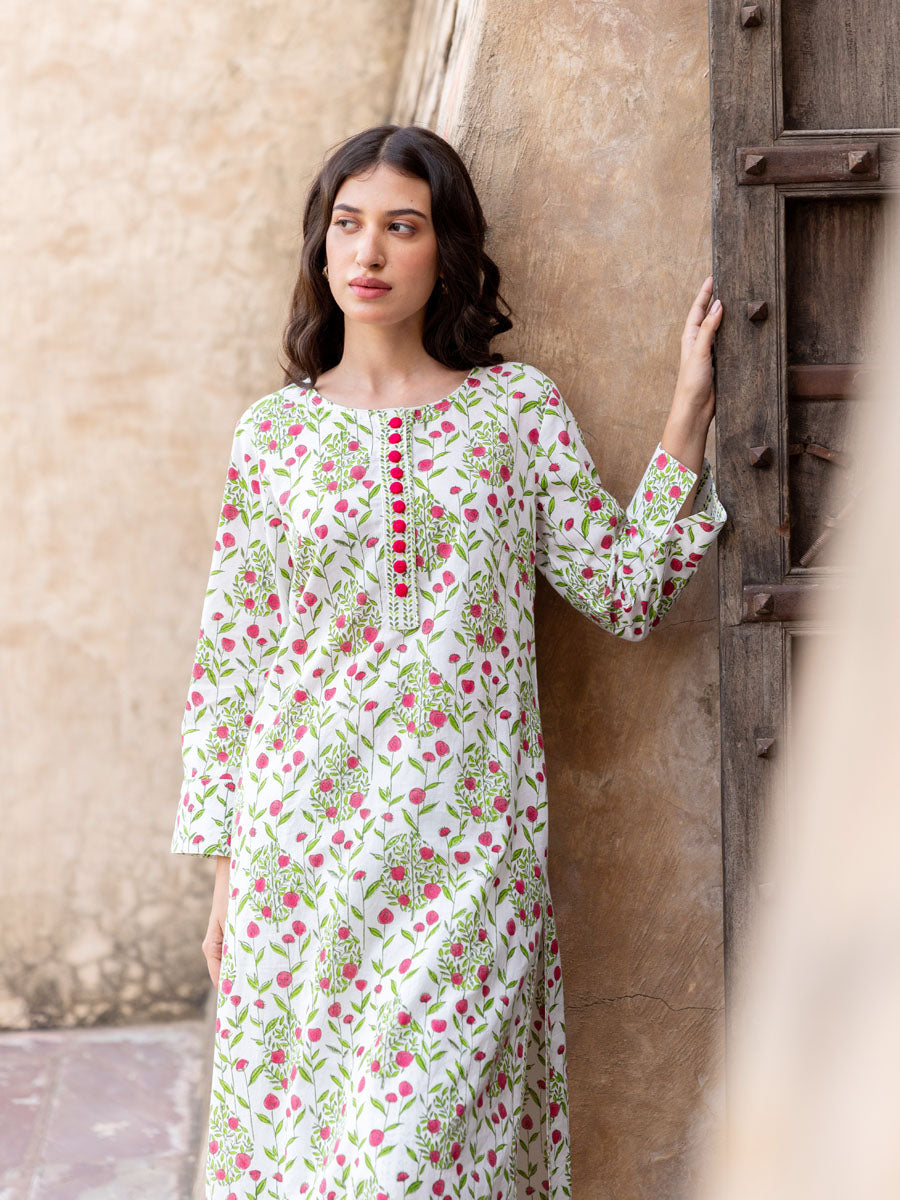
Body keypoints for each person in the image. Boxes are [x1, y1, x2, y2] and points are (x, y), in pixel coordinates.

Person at [170, 123, 727, 1200]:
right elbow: (232, 662)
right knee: (313, 1169)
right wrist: (229, 874)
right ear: (322, 246)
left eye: (402, 226)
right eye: (348, 225)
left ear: (447, 250)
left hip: (467, 868)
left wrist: (688, 411)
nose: (369, 251)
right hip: (301, 866)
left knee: (415, 1168)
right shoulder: (273, 437)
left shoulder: (514, 412)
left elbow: (622, 590)